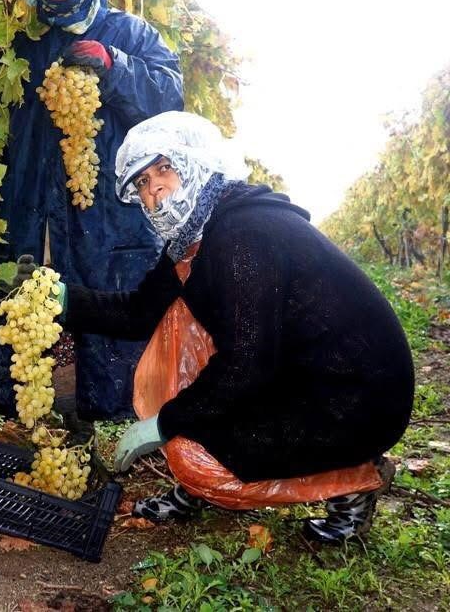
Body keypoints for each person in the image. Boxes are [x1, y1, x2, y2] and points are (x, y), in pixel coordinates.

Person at [45, 111, 413, 542]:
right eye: (142, 183)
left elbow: (245, 366)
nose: (154, 189)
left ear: (197, 164)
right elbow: (139, 311)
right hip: (300, 375)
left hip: (357, 401)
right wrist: (62, 298)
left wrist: (164, 422)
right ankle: (196, 483)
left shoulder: (244, 236)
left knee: (195, 451)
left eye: (164, 168)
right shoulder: (196, 238)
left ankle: (353, 479)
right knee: (179, 319)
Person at [0, 0, 185, 429]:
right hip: (33, 211)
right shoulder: (20, 50)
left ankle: (125, 423)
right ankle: (49, 424)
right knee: (34, 314)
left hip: (105, 213)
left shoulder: (129, 34)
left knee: (103, 310)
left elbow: (170, 99)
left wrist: (115, 67)